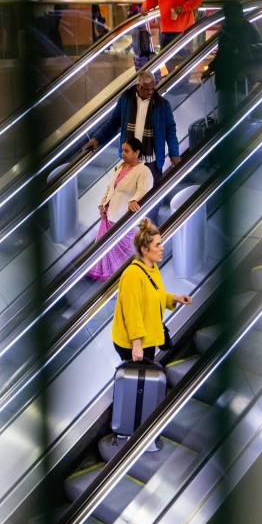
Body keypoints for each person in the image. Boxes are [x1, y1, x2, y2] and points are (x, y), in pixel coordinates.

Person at [111, 218, 191, 362]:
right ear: (144, 249)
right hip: (133, 343)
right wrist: (136, 345)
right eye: (158, 245)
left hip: (147, 338)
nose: (162, 248)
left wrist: (175, 298)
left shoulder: (152, 269)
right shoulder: (132, 274)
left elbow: (154, 295)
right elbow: (132, 312)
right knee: (139, 380)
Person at [84, 70, 180, 181]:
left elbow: (170, 131)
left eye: (152, 88)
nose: (150, 92)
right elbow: (113, 122)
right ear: (138, 87)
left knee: (151, 195)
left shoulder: (162, 105)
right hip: (129, 159)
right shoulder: (126, 100)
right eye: (147, 89)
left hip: (152, 162)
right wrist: (97, 139)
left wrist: (174, 153)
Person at [87, 137, 154, 281]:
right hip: (109, 215)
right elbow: (110, 188)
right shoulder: (120, 166)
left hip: (124, 219)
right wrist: (102, 203)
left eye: (127, 151)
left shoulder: (144, 171)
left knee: (125, 254)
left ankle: (125, 279)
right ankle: (110, 279)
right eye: (122, 150)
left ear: (137, 153)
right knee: (105, 250)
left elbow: (144, 191)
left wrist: (133, 200)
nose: (122, 153)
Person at [203, 0, 262, 99]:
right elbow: (224, 53)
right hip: (238, 80)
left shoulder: (231, 29)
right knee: (236, 106)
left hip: (232, 79)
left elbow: (223, 54)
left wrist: (211, 68)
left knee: (229, 106)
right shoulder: (246, 29)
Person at [129, 0, 154, 70]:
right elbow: (135, 4)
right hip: (138, 17)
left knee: (143, 35)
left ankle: (143, 56)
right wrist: (140, 12)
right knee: (138, 36)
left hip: (142, 16)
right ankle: (139, 58)